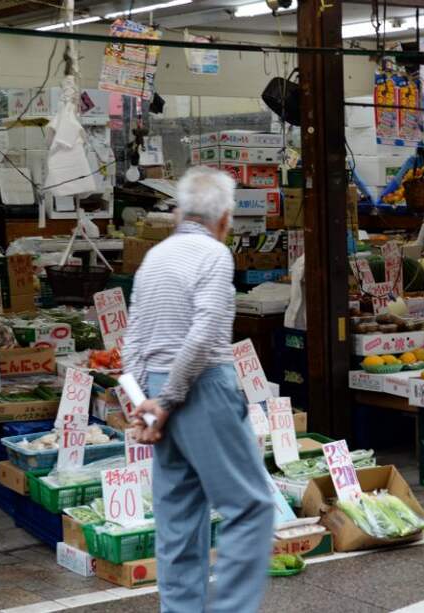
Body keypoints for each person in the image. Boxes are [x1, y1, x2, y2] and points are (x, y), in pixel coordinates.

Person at [122, 166, 274, 612]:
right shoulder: (214, 255)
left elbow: (133, 340)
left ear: (177, 214)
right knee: (251, 507)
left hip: (154, 388)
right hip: (201, 387)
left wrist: (145, 406)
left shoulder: (154, 257)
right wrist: (167, 401)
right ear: (225, 218)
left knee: (178, 521)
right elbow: (206, 333)